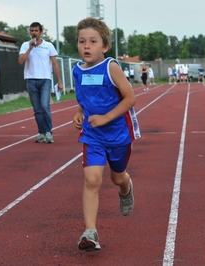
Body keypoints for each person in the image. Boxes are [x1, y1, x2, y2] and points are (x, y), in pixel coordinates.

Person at [72, 17, 141, 252]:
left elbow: (130, 99)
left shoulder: (111, 67)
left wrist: (105, 118)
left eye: (93, 41)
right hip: (93, 136)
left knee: (117, 177)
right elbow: (83, 98)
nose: (87, 46)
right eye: (82, 41)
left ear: (105, 46)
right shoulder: (77, 70)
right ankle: (90, 231)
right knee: (92, 180)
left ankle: (126, 187)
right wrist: (80, 113)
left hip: (119, 134)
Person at [18, 22, 63, 143]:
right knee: (37, 109)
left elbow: (54, 64)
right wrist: (30, 48)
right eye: (32, 30)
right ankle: (41, 132)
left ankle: (48, 132)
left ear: (41, 32)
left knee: (44, 105)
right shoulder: (25, 45)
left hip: (45, 80)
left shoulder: (48, 46)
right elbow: (21, 61)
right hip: (31, 79)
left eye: (36, 30)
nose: (34, 33)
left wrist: (59, 81)